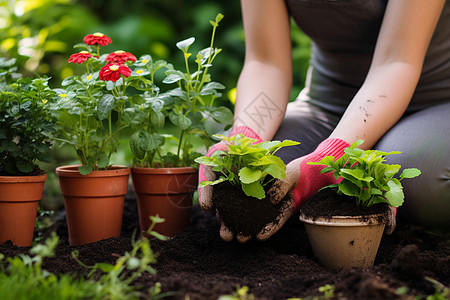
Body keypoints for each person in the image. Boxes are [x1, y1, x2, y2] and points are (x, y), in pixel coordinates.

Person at [199, 0, 450, 242]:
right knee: (263, 171)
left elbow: (396, 61)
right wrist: (244, 138)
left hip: (431, 103)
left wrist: (332, 153)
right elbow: (266, 62)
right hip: (330, 106)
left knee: (426, 180)